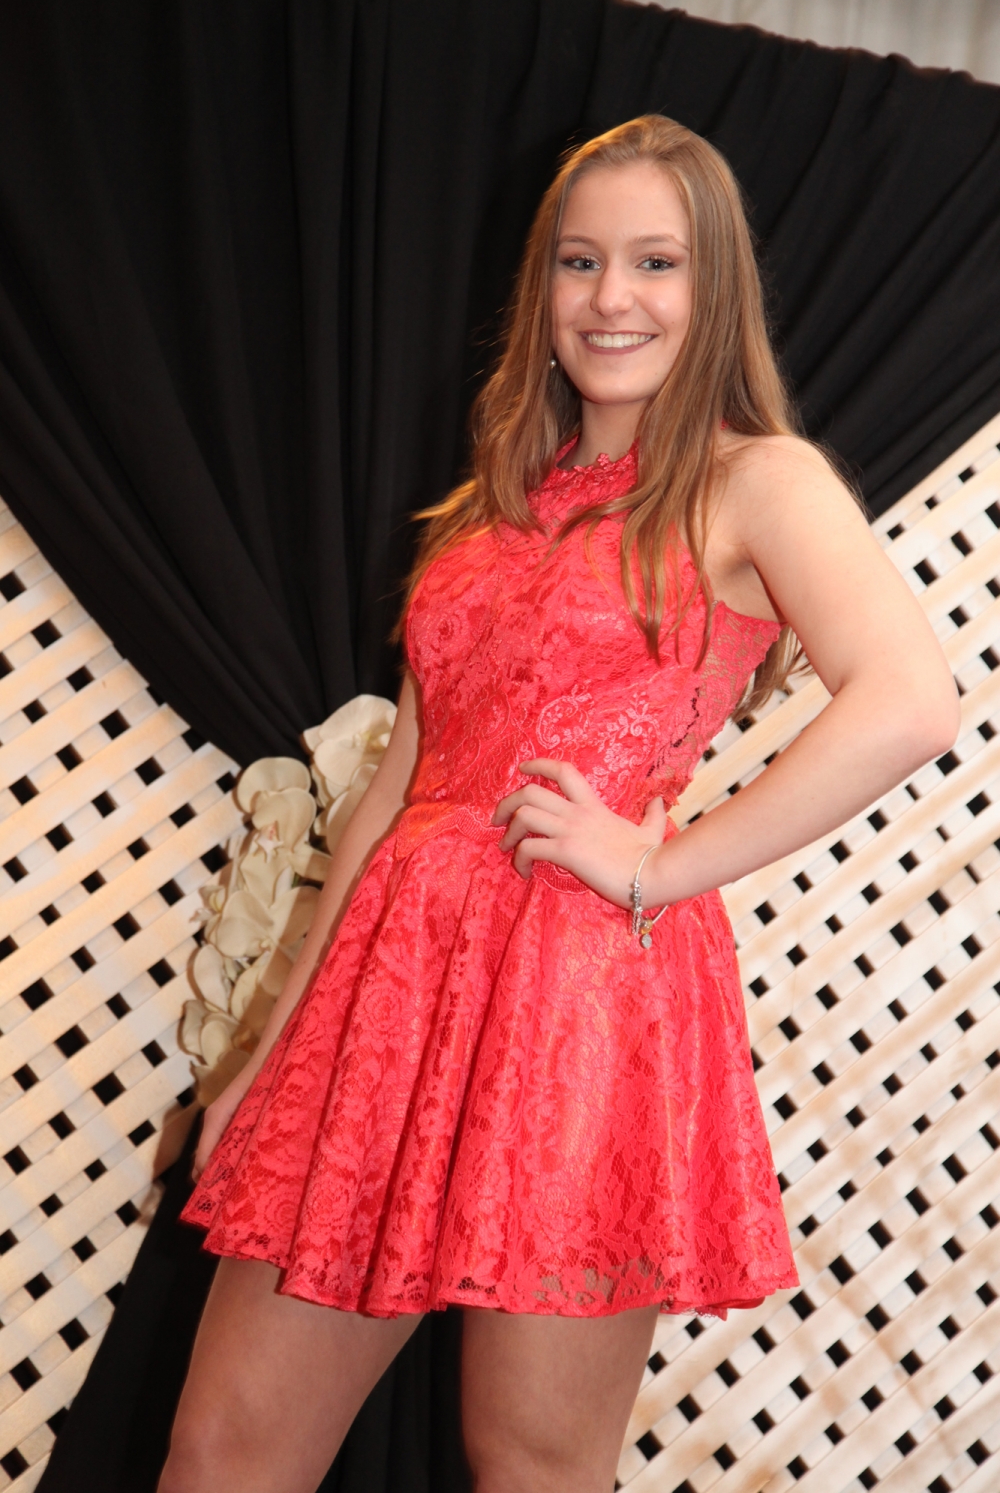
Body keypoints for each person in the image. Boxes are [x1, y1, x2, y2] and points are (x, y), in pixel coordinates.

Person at [159, 115, 959, 1493]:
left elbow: (911, 700)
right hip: (389, 1002)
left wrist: (660, 863)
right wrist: (266, 1065)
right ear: (543, 291)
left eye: (656, 261)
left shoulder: (756, 480)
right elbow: (393, 800)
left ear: (715, 289)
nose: (610, 298)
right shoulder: (489, 510)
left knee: (532, 1463)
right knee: (227, 1449)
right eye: (580, 262)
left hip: (583, 1004)